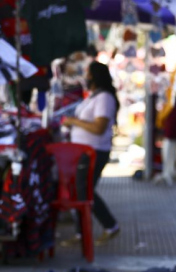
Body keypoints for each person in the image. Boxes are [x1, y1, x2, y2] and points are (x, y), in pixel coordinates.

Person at [62, 61, 119, 245]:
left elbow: (99, 127)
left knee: (85, 192)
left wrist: (73, 122)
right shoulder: (94, 97)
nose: (85, 77)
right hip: (84, 152)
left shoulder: (104, 98)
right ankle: (84, 232)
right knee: (82, 192)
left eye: (87, 73)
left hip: (94, 152)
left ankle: (108, 226)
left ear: (94, 76)